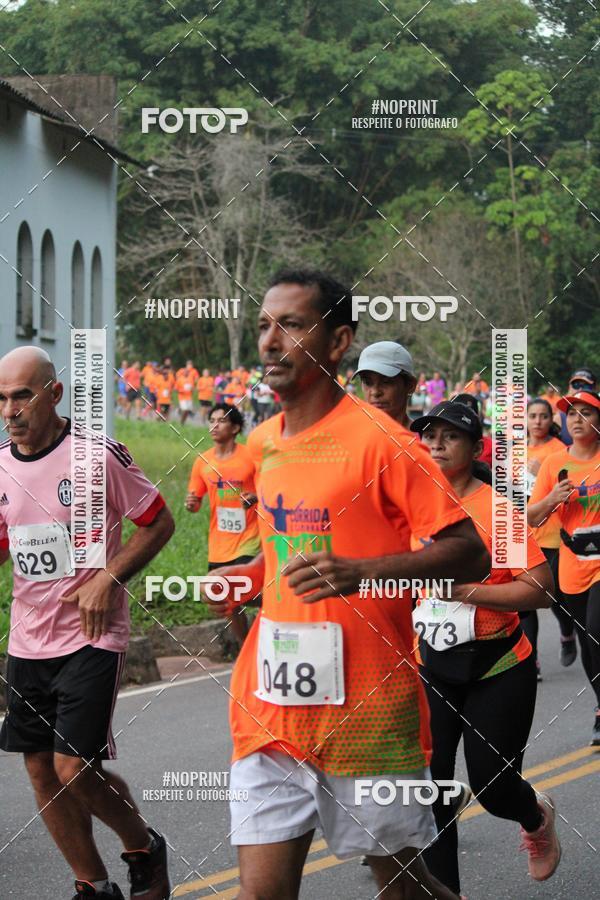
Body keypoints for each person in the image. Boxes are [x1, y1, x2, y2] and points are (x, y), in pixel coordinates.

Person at [208, 268, 490, 900]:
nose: (271, 342)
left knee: (400, 888)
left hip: (368, 709)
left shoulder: (384, 443)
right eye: (263, 326)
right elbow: (287, 554)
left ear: (338, 343)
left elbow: (470, 553)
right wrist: (242, 579)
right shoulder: (262, 443)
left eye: (293, 325)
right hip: (272, 706)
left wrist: (362, 573)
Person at [0, 347, 175, 900]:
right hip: (28, 640)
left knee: (73, 767)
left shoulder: (96, 456)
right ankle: (92, 884)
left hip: (91, 636)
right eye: (1, 398)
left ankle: (143, 845)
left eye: (22, 395)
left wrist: (109, 577)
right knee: (40, 773)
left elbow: (158, 521)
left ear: (53, 393)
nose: (10, 409)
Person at [409, 401, 560, 895]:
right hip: (432, 664)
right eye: (429, 434)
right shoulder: (412, 504)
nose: (435, 443)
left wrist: (464, 590)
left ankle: (535, 817)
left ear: (476, 449)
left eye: (449, 436)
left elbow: (539, 589)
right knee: (433, 791)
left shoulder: (496, 509)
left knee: (494, 788)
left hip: (498, 665)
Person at [528, 389, 600, 745]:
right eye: (571, 413)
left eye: (586, 412)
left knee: (597, 629)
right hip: (572, 566)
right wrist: (553, 498)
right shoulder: (555, 464)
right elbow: (529, 516)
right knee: (589, 645)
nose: (576, 418)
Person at [185, 403, 260, 644]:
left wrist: (256, 497)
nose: (214, 426)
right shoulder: (203, 462)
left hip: (250, 539)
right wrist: (191, 503)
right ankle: (245, 648)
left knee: (249, 593)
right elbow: (195, 502)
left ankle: (270, 625)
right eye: (211, 420)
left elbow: (272, 489)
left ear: (236, 427)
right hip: (219, 543)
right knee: (226, 600)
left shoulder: (251, 457)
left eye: (221, 421)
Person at [525, 399, 574, 675]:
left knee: (556, 596)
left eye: (544, 416)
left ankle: (567, 630)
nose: (538, 421)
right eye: (533, 415)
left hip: (553, 534)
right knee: (527, 600)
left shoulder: (558, 451)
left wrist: (537, 475)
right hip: (523, 531)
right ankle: (531, 661)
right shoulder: (514, 451)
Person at [352, 341, 417, 428]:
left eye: (386, 382)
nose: (375, 392)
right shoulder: (350, 436)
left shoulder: (425, 439)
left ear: (410, 385)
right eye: (368, 382)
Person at [555, 369, 597, 446]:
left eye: (586, 385)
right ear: (569, 388)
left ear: (595, 388)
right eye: (576, 385)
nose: (580, 389)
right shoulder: (557, 419)